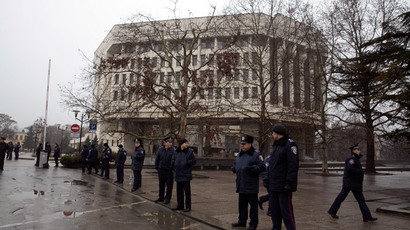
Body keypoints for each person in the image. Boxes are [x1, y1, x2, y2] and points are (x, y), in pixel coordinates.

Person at [328, 143, 378, 222]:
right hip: (350, 184)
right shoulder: (351, 159)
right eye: (358, 150)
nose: (359, 151)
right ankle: (332, 211)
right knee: (342, 198)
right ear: (354, 150)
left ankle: (367, 216)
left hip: (354, 184)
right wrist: (360, 171)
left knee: (360, 200)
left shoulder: (355, 158)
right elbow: (350, 169)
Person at [268, 124, 299, 230]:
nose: (272, 135)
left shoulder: (290, 144)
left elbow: (293, 165)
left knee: (286, 212)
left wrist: (289, 182)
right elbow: (273, 164)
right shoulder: (277, 145)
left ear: (276, 133)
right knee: (275, 211)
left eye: (273, 132)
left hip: (284, 185)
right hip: (274, 184)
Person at [231, 134, 265, 230]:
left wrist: (253, 168)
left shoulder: (256, 155)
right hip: (241, 184)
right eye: (241, 144)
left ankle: (253, 224)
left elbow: (262, 167)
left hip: (251, 185)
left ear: (250, 144)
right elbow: (235, 165)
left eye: (244, 144)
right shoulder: (240, 155)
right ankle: (242, 221)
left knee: (253, 207)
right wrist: (234, 168)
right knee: (242, 205)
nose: (242, 146)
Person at [171, 138, 196, 212]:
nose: (187, 144)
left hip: (186, 174)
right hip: (178, 174)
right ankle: (180, 205)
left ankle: (188, 206)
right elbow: (173, 160)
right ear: (181, 144)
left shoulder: (190, 152)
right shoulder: (176, 151)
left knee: (187, 192)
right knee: (179, 192)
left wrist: (187, 162)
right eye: (185, 143)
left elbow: (194, 161)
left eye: (187, 143)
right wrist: (174, 166)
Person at [154, 136, 175, 204]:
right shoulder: (160, 149)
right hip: (161, 169)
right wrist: (157, 167)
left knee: (169, 186)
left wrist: (173, 168)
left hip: (169, 170)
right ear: (165, 143)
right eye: (168, 142)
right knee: (161, 184)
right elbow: (157, 158)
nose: (170, 144)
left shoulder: (173, 150)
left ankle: (167, 198)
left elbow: (174, 160)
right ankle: (161, 197)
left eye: (171, 142)